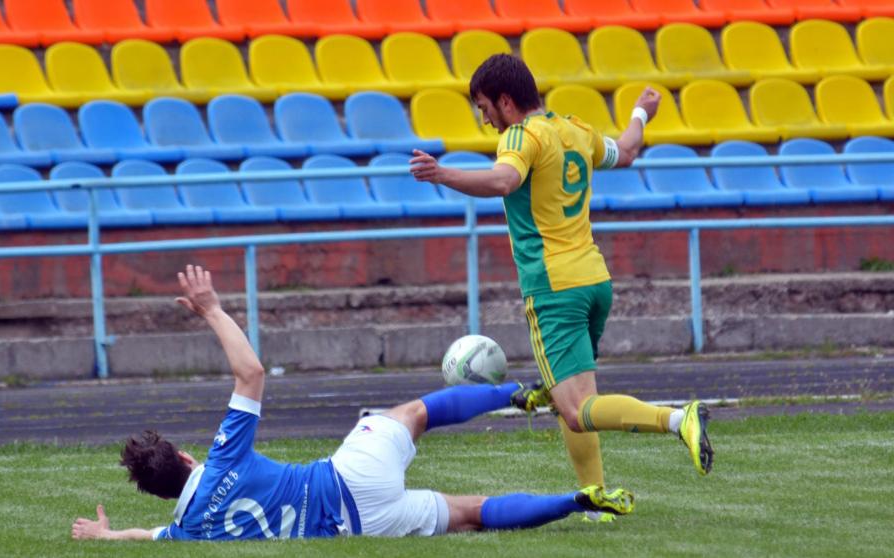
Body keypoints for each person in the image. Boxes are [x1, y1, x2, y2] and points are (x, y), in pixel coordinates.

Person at [71, 265, 634, 542]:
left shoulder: (191, 530)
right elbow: (251, 371)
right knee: (414, 415)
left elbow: (152, 538)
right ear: (188, 459)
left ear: (164, 494)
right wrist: (212, 309)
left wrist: (107, 537)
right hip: (344, 478)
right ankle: (520, 394)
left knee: (471, 513)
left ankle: (580, 501)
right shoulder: (223, 458)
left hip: (361, 526)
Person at [409, 54, 714, 513]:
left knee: (576, 408)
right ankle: (597, 497)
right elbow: (627, 151)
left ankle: (676, 419)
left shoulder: (520, 135)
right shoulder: (574, 130)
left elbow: (504, 180)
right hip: (594, 282)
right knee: (567, 399)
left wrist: (440, 174)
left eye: (483, 106)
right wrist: (639, 113)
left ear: (506, 101)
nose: (483, 117)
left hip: (554, 289)